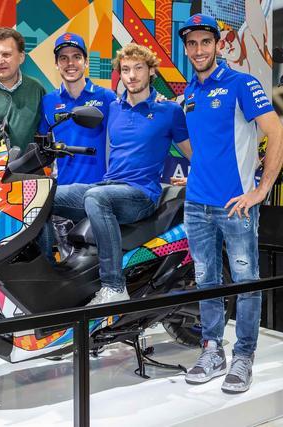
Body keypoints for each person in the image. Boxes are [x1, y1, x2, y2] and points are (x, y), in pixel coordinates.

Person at [177, 14, 283, 393]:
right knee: (206, 281)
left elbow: (278, 135)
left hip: (236, 205)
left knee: (245, 282)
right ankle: (212, 350)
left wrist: (261, 190)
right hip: (196, 205)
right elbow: (202, 148)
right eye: (192, 43)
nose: (198, 50)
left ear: (218, 44)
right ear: (186, 48)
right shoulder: (189, 93)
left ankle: (243, 356)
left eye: (205, 42)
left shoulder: (242, 83)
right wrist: (198, 173)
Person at [50, 43, 191, 305]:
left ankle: (114, 286)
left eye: (139, 68)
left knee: (96, 198)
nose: (132, 75)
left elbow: (193, 153)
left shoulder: (169, 111)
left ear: (151, 71)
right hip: (109, 186)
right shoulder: (113, 107)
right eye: (126, 70)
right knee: (44, 195)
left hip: (142, 194)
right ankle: (48, 280)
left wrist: (196, 179)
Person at [39, 32, 116, 185]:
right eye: (63, 58)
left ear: (86, 62)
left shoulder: (107, 97)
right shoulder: (47, 102)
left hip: (101, 189)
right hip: (62, 190)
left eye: (76, 57)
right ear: (56, 64)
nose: (70, 63)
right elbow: (43, 148)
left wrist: (155, 99)